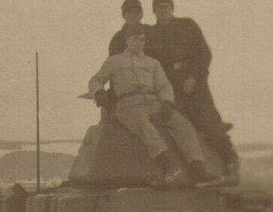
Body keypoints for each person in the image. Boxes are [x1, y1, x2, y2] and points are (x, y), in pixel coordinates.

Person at [88, 22, 214, 186]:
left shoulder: (152, 63)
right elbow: (95, 80)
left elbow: (164, 86)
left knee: (183, 125)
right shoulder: (114, 62)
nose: (139, 43)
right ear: (127, 40)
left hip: (153, 102)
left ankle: (198, 169)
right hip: (129, 104)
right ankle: (170, 166)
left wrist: (167, 103)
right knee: (144, 125)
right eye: (135, 39)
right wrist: (99, 92)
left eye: (142, 39)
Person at [147, 0, 239, 186]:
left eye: (166, 7)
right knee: (177, 127)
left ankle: (230, 163)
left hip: (194, 83)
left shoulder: (187, 25)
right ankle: (187, 173)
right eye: (159, 8)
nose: (163, 11)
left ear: (172, 8)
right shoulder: (151, 34)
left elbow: (204, 53)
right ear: (154, 12)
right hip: (170, 87)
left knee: (209, 122)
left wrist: (194, 77)